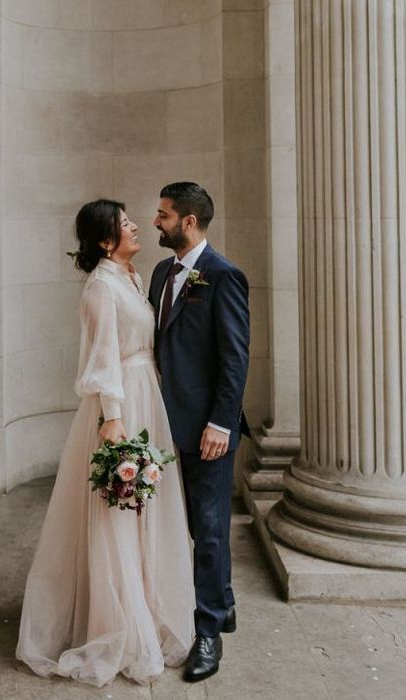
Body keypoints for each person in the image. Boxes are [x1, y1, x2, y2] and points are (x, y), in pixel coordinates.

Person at [16, 199, 194, 687]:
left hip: (147, 395)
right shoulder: (99, 288)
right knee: (118, 513)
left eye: (133, 220)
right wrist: (112, 419)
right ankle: (117, 623)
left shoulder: (132, 277)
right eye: (125, 224)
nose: (136, 226)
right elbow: (101, 359)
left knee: (146, 512)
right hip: (122, 405)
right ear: (103, 240)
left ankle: (148, 606)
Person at [150, 182, 250, 682]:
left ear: (189, 222)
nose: (156, 222)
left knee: (208, 532)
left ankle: (207, 632)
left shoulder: (224, 276)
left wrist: (220, 424)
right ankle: (224, 603)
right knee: (194, 526)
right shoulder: (161, 273)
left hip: (208, 428)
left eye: (164, 215)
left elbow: (235, 360)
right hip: (169, 424)